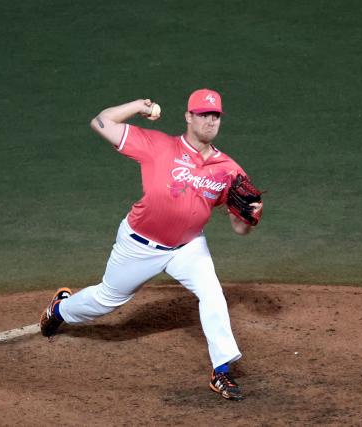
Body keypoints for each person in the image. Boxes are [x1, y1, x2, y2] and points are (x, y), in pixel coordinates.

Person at [39, 88, 263, 401]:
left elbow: (239, 228)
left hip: (188, 247)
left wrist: (250, 217)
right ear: (188, 117)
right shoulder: (157, 145)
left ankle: (222, 371)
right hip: (140, 245)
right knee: (107, 300)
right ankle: (60, 309)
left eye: (215, 115)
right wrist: (136, 106)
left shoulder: (229, 170)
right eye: (203, 114)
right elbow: (100, 122)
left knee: (212, 294)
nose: (210, 121)